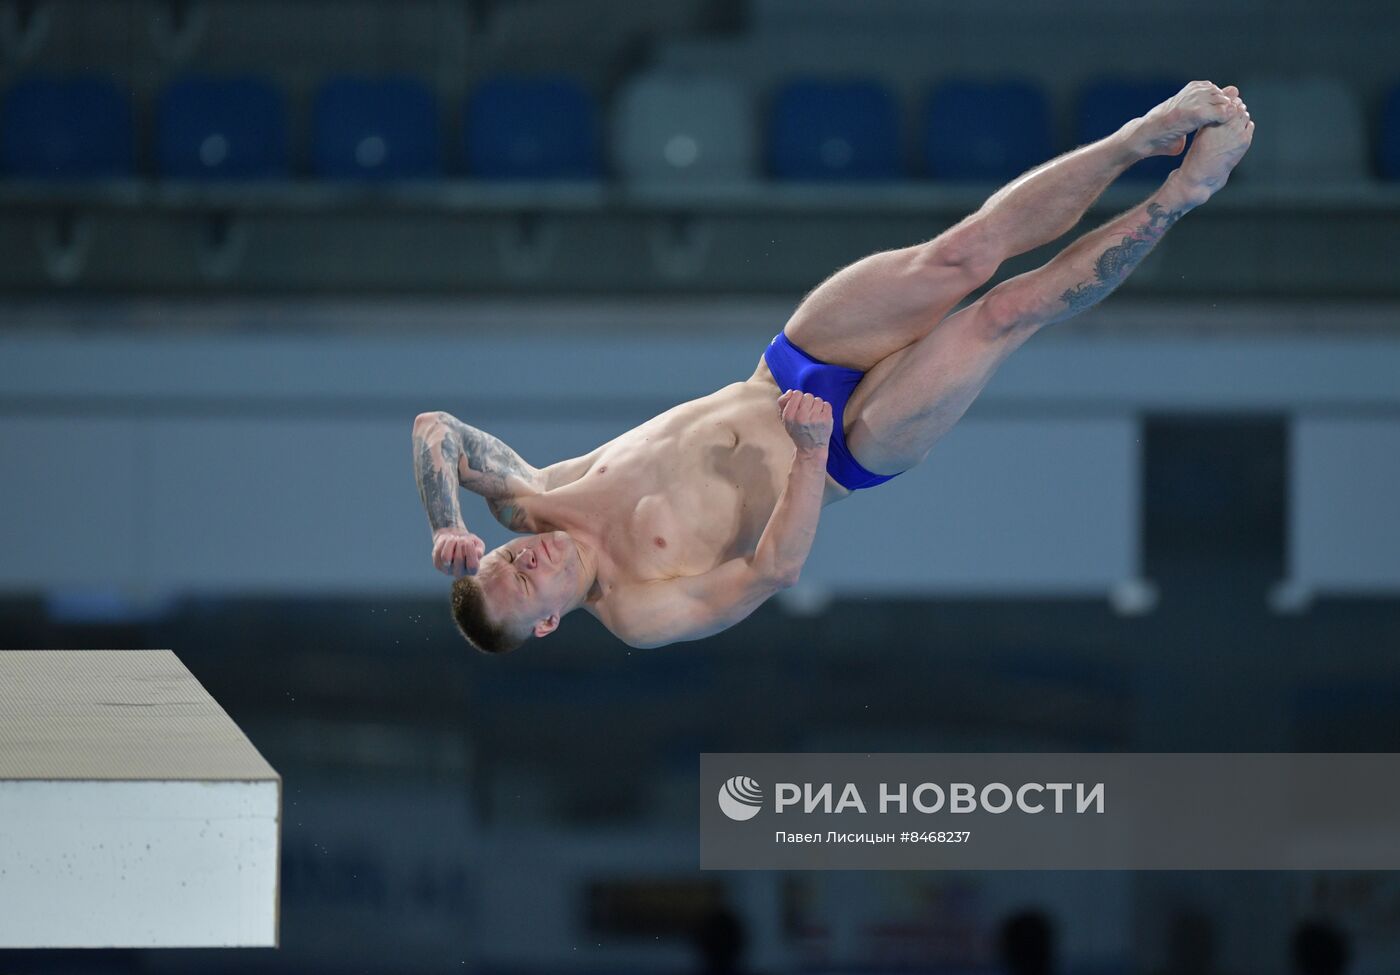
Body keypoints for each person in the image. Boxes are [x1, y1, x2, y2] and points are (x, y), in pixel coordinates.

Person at [413, 81, 1254, 652]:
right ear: (551, 622)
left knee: (958, 256)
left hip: (785, 371)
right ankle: (1179, 195)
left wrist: (445, 517)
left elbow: (437, 430)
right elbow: (772, 571)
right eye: (525, 585)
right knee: (1003, 312)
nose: (527, 562)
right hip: (845, 448)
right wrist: (812, 454)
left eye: (504, 560)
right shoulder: (637, 608)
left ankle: (1136, 139)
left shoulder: (530, 497)